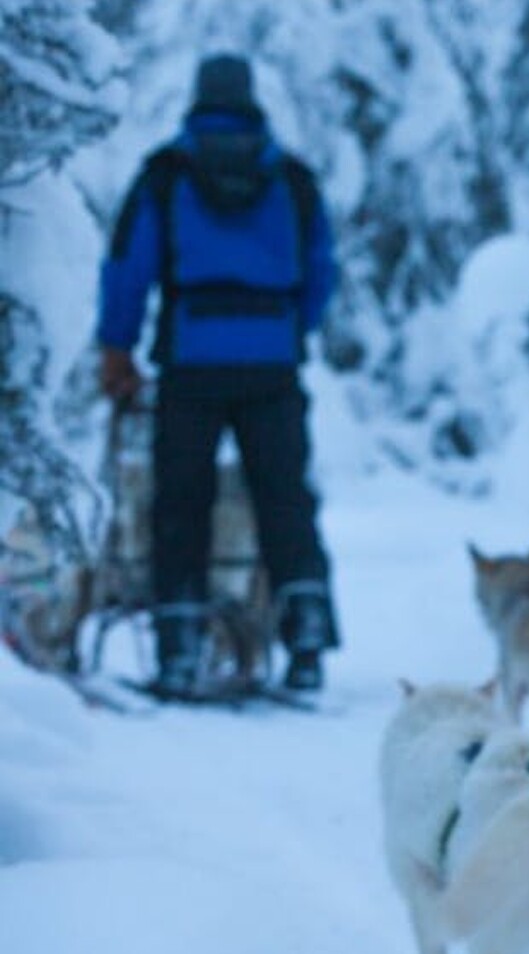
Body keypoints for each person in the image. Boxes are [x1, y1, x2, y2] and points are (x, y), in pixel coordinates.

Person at [96, 53, 351, 697]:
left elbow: (128, 265)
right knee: (285, 500)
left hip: (191, 360)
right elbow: (321, 268)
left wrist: (117, 347)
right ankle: (306, 635)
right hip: (273, 364)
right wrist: (290, 329)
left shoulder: (165, 174)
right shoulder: (292, 177)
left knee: (181, 502)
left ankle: (179, 647)